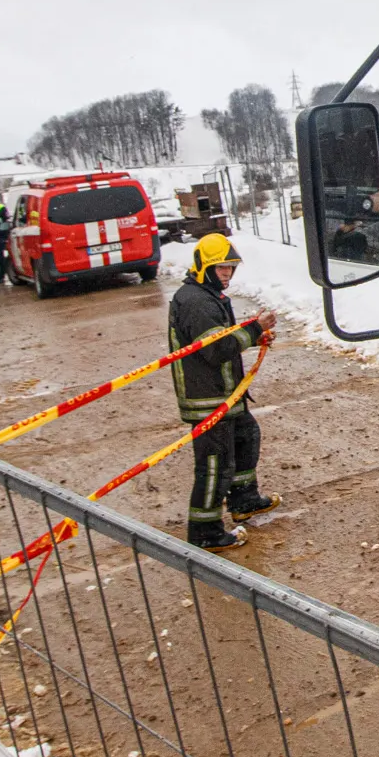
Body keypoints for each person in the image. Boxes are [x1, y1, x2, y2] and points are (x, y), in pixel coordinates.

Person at [167, 234, 278, 551]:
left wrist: (254, 338)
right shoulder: (197, 301)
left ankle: (244, 500)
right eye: (221, 268)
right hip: (208, 400)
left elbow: (222, 339)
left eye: (230, 267)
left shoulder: (208, 295)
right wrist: (254, 328)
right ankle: (205, 532)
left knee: (246, 436)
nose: (227, 273)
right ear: (204, 266)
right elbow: (216, 350)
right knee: (215, 465)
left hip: (227, 397)